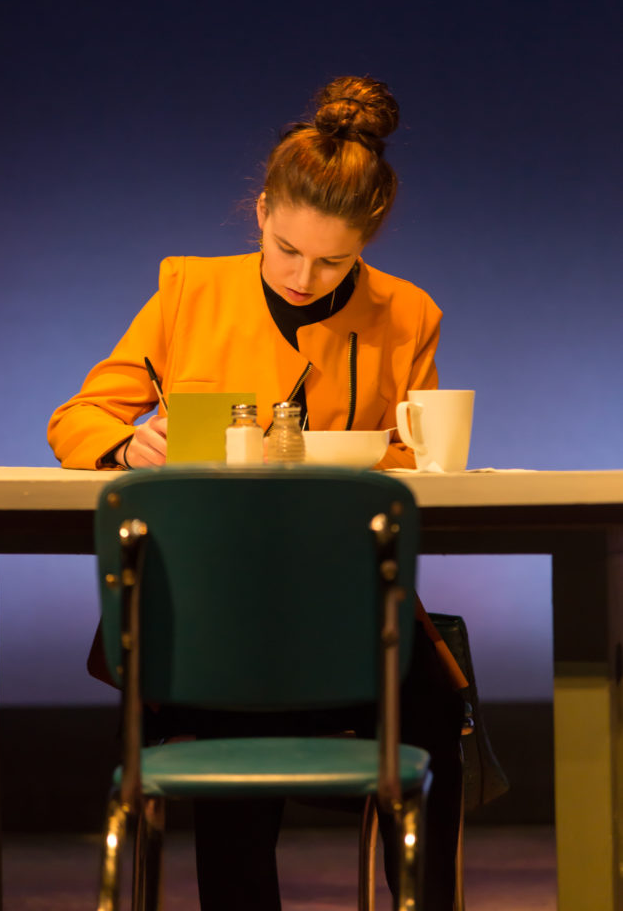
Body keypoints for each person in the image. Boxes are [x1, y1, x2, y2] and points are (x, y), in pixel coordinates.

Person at [48, 75, 465, 910]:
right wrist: (128, 441)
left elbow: (414, 450)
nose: (304, 276)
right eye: (286, 249)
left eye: (333, 260)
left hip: (343, 595)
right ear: (262, 211)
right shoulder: (189, 291)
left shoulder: (408, 313)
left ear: (367, 241)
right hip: (212, 601)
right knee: (232, 705)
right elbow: (78, 418)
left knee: (435, 710)